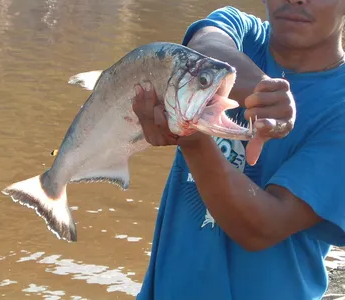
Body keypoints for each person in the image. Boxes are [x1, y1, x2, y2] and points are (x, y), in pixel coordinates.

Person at [132, 1, 345, 299]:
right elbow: (203, 47)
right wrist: (264, 91)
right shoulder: (240, 32)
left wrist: (192, 138)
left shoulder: (340, 108)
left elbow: (263, 227)